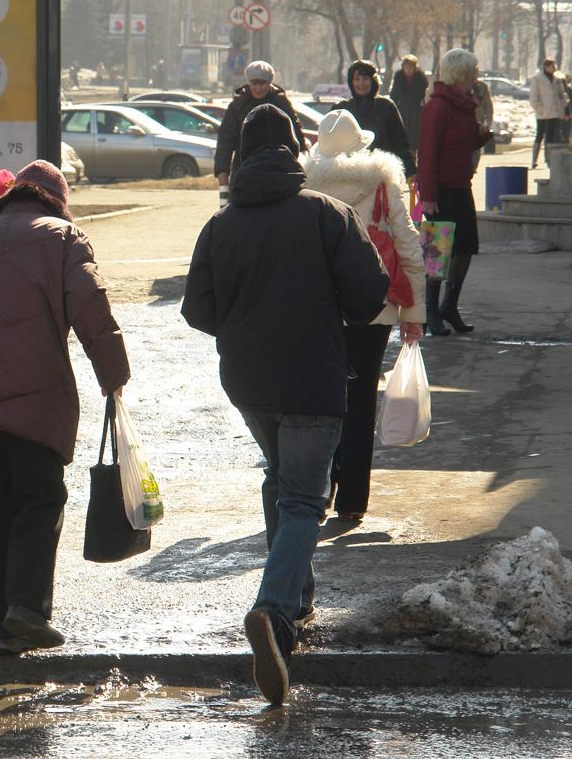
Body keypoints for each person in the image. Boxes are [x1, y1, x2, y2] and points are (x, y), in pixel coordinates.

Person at [182, 104, 389, 705]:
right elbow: (368, 293)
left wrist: (243, 326)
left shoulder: (220, 224)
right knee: (303, 499)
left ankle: (296, 602)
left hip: (248, 382)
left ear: (243, 156)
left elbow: (198, 309)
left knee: (281, 480)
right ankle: (273, 613)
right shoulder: (327, 215)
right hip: (312, 378)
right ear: (295, 151)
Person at [0, 160, 130, 656]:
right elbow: (91, 307)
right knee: (41, 498)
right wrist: (113, 375)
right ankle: (28, 608)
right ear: (57, 199)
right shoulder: (64, 237)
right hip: (35, 394)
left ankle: (4, 630)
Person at [303, 110, 425, 521]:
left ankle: (319, 490)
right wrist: (415, 311)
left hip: (320, 310)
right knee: (360, 402)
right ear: (361, 145)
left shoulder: (304, 187)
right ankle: (353, 500)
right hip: (374, 310)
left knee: (320, 402)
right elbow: (408, 245)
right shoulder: (384, 182)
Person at [419, 48, 492, 336]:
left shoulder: (464, 104)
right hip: (440, 191)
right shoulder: (438, 106)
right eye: (474, 70)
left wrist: (481, 136)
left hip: (461, 186)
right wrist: (429, 196)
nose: (477, 74)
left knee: (465, 248)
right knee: (438, 253)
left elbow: (462, 144)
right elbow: (427, 154)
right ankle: (431, 310)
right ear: (461, 73)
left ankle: (450, 305)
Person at [214, 61, 307, 187]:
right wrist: (222, 172)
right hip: (244, 170)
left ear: (269, 83)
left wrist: (302, 162)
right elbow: (225, 140)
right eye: (254, 83)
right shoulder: (237, 106)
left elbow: (295, 133)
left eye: (262, 83)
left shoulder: (281, 103)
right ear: (248, 82)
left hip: (278, 170)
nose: (258, 88)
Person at [334, 60, 416, 177]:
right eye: (357, 79)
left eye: (365, 78)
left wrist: (411, 172)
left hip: (383, 177)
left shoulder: (387, 106)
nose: (361, 83)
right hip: (349, 178)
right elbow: (330, 146)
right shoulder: (341, 109)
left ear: (373, 81)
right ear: (351, 82)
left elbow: (401, 143)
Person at [529, 58, 569, 169]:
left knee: (551, 136)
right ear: (546, 67)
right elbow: (533, 96)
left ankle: (549, 159)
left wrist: (564, 104)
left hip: (554, 112)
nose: (554, 68)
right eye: (552, 66)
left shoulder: (557, 79)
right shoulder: (537, 79)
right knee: (539, 135)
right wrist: (539, 108)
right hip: (542, 112)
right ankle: (534, 160)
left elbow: (562, 94)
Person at [390, 55, 428, 156]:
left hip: (416, 109)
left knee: (415, 131)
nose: (408, 69)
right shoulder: (399, 76)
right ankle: (405, 151)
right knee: (403, 129)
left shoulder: (421, 77)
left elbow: (422, 94)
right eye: (406, 67)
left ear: (415, 67)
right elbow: (395, 92)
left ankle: (414, 151)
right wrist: (391, 104)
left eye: (410, 67)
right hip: (403, 108)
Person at [471, 78, 494, 167]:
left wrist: (489, 121)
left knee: (476, 147)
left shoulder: (482, 87)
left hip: (478, 120)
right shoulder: (459, 85)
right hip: (465, 120)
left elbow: (488, 105)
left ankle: (473, 167)